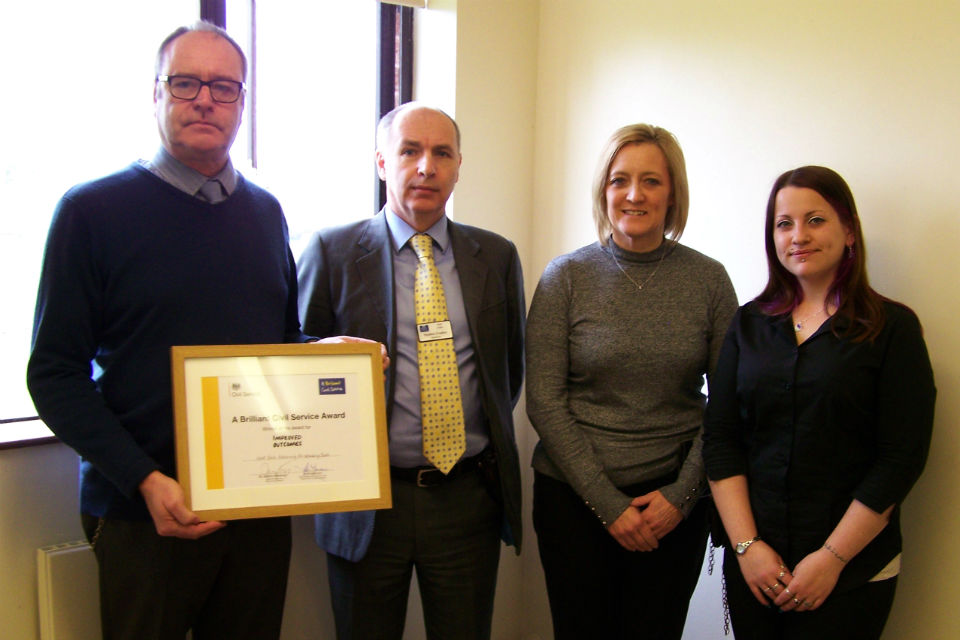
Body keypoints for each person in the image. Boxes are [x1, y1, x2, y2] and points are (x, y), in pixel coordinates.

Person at [27, 21, 323, 639]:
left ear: (242, 103)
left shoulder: (266, 213)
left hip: (255, 507)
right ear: (155, 94)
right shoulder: (92, 211)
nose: (205, 99)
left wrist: (325, 360)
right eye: (185, 83)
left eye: (223, 87)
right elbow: (54, 374)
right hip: (143, 513)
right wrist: (144, 479)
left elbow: (273, 348)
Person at [296, 102, 525, 640]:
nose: (426, 167)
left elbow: (507, 370)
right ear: (381, 162)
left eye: (441, 153)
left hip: (467, 500)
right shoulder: (330, 252)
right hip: (367, 504)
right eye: (409, 151)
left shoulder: (494, 256)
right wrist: (324, 351)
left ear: (458, 165)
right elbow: (294, 356)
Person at [702, 166, 936, 639]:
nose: (798, 236)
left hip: (853, 573)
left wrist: (831, 560)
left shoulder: (893, 328)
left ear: (849, 230)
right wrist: (748, 548)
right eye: (784, 224)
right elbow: (722, 439)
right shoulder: (747, 325)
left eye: (815, 220)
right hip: (757, 568)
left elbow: (900, 458)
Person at [525, 123, 737, 639]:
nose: (634, 194)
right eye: (620, 180)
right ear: (604, 191)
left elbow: (730, 403)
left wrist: (681, 498)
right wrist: (609, 504)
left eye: (651, 181)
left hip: (672, 505)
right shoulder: (565, 277)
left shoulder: (709, 281)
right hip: (573, 499)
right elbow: (545, 402)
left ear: (673, 193)